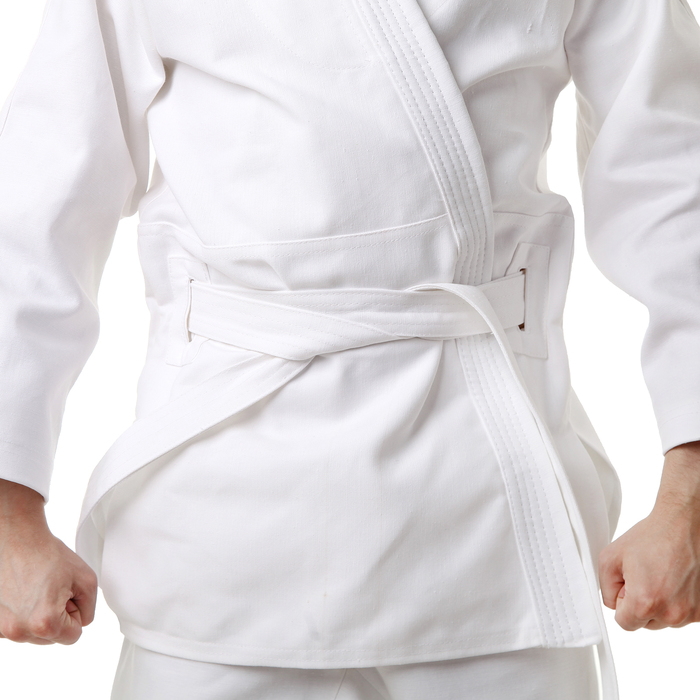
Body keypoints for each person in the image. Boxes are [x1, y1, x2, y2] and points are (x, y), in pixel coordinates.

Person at [1, 0, 700, 698]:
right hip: (220, 514)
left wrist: (689, 492)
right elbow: (41, 204)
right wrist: (9, 511)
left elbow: (673, 180)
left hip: (486, 517)